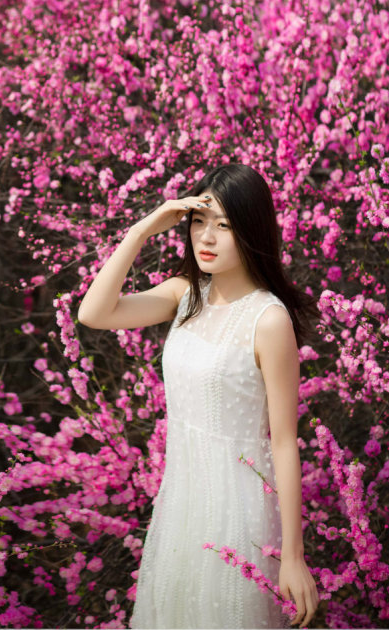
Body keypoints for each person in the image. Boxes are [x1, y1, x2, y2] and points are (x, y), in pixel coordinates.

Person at [78, 163, 319, 630]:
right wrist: (144, 227)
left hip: (238, 507)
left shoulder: (268, 320)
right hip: (181, 500)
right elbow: (93, 313)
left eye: (224, 225)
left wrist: (293, 555)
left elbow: (285, 441)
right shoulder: (185, 295)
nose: (206, 237)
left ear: (250, 230)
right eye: (199, 221)